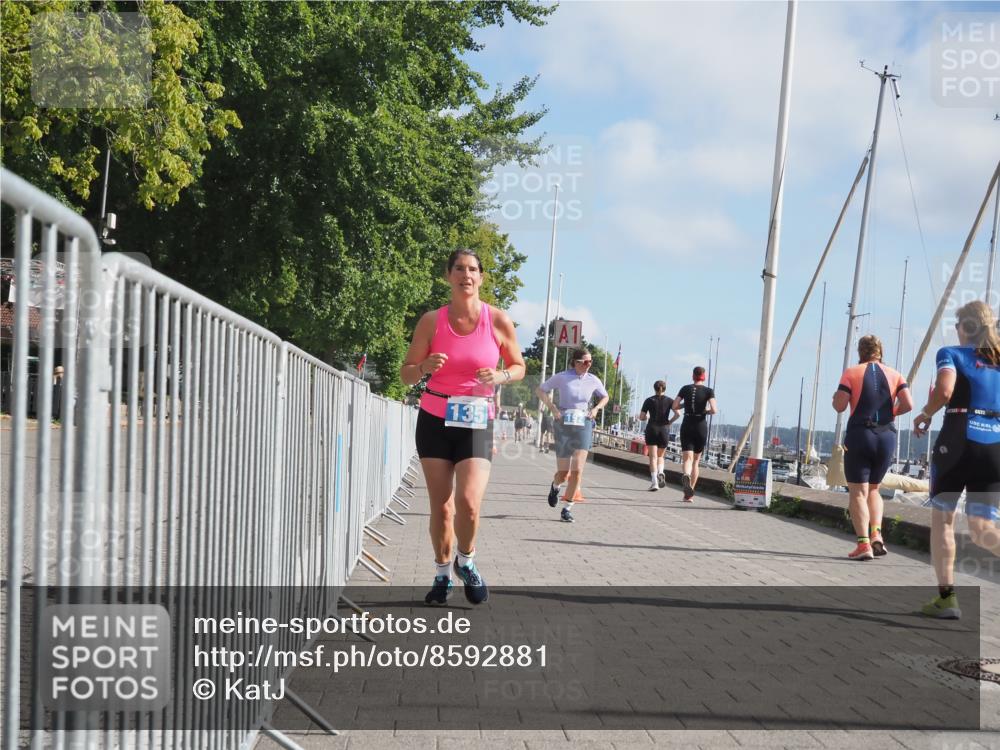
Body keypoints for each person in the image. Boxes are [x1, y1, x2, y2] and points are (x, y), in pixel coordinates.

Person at [400, 248, 525, 606]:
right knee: (442, 507)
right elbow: (406, 374)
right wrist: (423, 368)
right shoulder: (431, 321)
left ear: (481, 277)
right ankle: (442, 575)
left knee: (468, 503)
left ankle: (466, 562)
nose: (466, 275)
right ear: (448, 275)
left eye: (472, 269)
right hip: (435, 418)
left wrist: (500, 375)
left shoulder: (497, 320)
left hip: (476, 420)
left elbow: (518, 366)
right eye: (459, 268)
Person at [914, 301, 1000, 619]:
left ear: (965, 327)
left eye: (957, 325)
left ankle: (947, 599)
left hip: (958, 443)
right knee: (982, 529)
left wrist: (925, 413)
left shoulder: (951, 353)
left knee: (943, 520)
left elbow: (945, 390)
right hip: (994, 447)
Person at [832, 335, 912, 560]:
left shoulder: (852, 373)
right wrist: (892, 413)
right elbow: (908, 404)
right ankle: (877, 534)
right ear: (880, 352)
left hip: (860, 434)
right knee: (874, 489)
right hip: (886, 436)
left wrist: (835, 398)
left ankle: (863, 545)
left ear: (860, 352)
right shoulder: (895, 374)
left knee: (858, 492)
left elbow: (839, 405)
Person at [536, 348, 609, 523]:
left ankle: (567, 508)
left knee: (577, 470)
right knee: (563, 473)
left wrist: (596, 409)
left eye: (590, 361)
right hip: (563, 424)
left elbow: (605, 397)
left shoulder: (593, 379)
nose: (589, 364)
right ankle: (555, 486)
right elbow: (541, 390)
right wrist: (553, 408)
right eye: (585, 362)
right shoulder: (562, 377)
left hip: (584, 424)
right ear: (575, 362)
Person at [672, 367, 717, 501]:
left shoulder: (685, 388)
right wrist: (705, 411)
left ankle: (686, 474)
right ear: (704, 376)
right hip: (700, 425)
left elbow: (674, 406)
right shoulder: (709, 391)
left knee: (687, 459)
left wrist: (684, 405)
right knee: (696, 461)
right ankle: (689, 493)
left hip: (687, 424)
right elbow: (714, 410)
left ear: (693, 376)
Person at [640, 380, 680, 491]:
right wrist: (670, 422)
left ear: (654, 388)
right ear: (664, 389)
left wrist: (647, 417)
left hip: (652, 429)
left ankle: (654, 483)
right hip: (664, 430)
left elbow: (642, 417)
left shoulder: (649, 400)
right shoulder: (670, 400)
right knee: (660, 456)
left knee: (653, 457)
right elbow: (678, 414)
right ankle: (661, 472)